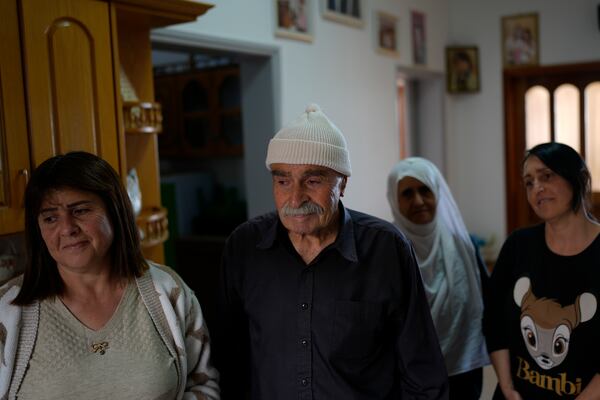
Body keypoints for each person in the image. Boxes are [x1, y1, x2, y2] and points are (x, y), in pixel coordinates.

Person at [215, 104, 448, 399]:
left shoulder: (386, 249)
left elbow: (422, 369)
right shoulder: (243, 248)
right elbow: (228, 360)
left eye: (313, 181)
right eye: (283, 181)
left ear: (343, 184)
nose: (296, 198)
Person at [0, 151, 220, 399]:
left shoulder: (167, 291)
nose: (67, 228)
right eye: (50, 217)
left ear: (115, 212)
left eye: (80, 210)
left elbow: (204, 385)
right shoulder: (7, 310)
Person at [483, 142, 600, 399]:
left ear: (578, 178)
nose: (537, 187)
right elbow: (494, 322)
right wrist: (506, 386)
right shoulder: (518, 245)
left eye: (546, 176)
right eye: (529, 182)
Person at [386, 157, 490, 400]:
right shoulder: (387, 249)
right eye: (408, 194)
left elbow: (489, 305)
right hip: (409, 375)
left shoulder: (464, 245)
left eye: (425, 190)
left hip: (463, 369)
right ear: (394, 199)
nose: (419, 201)